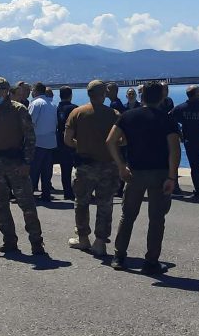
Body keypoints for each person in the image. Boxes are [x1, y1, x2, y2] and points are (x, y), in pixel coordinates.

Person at [106, 81, 180, 274]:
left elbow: (110, 141)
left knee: (128, 215)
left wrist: (121, 166)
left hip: (135, 173)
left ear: (142, 96)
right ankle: (151, 261)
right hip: (160, 174)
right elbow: (174, 149)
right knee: (157, 219)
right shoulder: (167, 119)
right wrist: (172, 177)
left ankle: (119, 256)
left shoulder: (127, 116)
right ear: (162, 97)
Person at [0, 77, 46, 255]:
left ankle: (36, 242)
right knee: (0, 206)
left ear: (6, 91)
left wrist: (27, 162)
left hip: (16, 164)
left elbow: (30, 137)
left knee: (27, 205)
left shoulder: (19, 110)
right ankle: (9, 240)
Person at [64, 81, 120, 256]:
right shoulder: (114, 114)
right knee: (105, 204)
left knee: (81, 203)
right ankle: (100, 242)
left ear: (88, 94)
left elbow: (67, 140)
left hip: (84, 166)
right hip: (108, 166)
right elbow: (122, 140)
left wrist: (82, 145)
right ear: (104, 94)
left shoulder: (77, 113)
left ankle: (83, 239)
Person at [171, 85, 199, 198]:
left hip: (190, 142)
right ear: (197, 94)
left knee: (195, 168)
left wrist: (178, 133)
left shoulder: (181, 108)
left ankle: (198, 191)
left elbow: (169, 118)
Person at [27, 82, 57, 201]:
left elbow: (30, 122)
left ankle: (29, 195)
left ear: (35, 90)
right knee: (46, 171)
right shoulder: (52, 104)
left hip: (38, 142)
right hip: (50, 142)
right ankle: (46, 194)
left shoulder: (36, 103)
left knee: (34, 170)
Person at [55, 87, 79, 201]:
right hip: (74, 141)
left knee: (65, 169)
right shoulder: (74, 109)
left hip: (60, 141)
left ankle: (67, 192)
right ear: (70, 95)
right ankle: (81, 190)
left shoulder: (57, 108)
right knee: (80, 168)